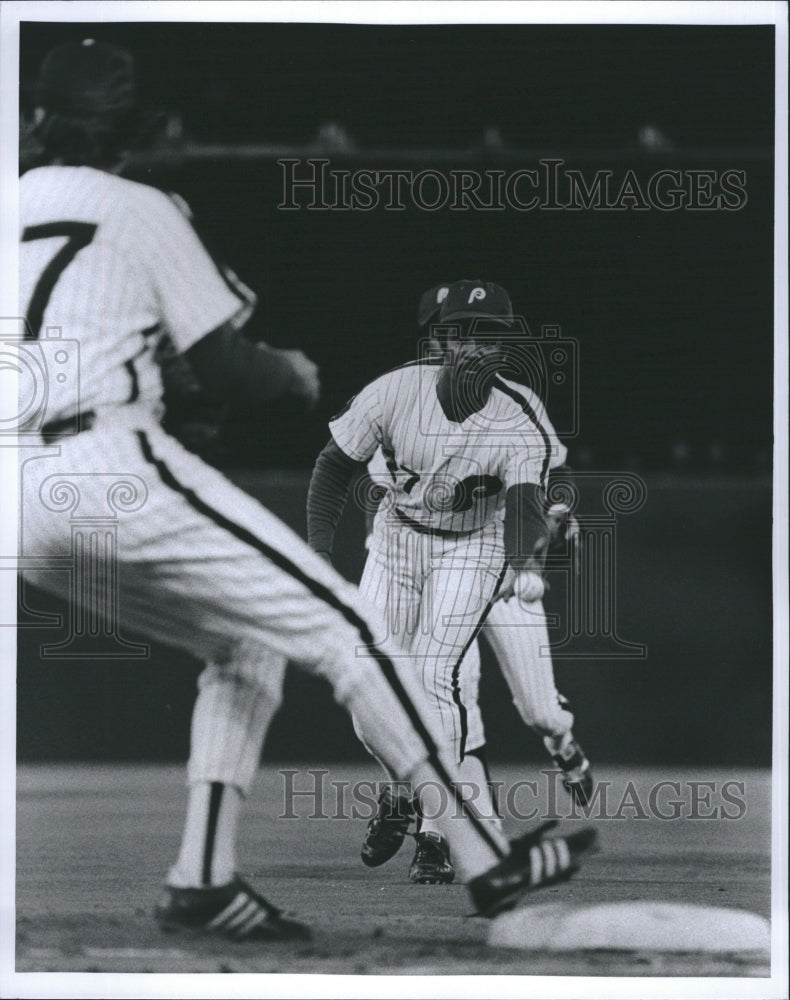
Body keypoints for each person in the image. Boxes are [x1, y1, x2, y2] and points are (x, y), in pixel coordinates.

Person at [18, 40, 596, 941]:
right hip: (109, 461)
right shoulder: (140, 206)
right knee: (356, 633)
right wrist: (288, 373)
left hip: (15, 489)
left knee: (245, 647)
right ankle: (486, 858)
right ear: (128, 132)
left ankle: (202, 881)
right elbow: (231, 369)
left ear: (31, 125)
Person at [307, 278, 587, 885]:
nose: (483, 346)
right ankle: (405, 791)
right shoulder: (390, 394)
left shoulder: (517, 413)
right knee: (366, 681)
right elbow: (332, 469)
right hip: (398, 538)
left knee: (441, 677)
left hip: (478, 546)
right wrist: (317, 555)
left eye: (494, 335)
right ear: (439, 339)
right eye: (469, 333)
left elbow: (531, 495)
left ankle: (438, 833)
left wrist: (530, 559)